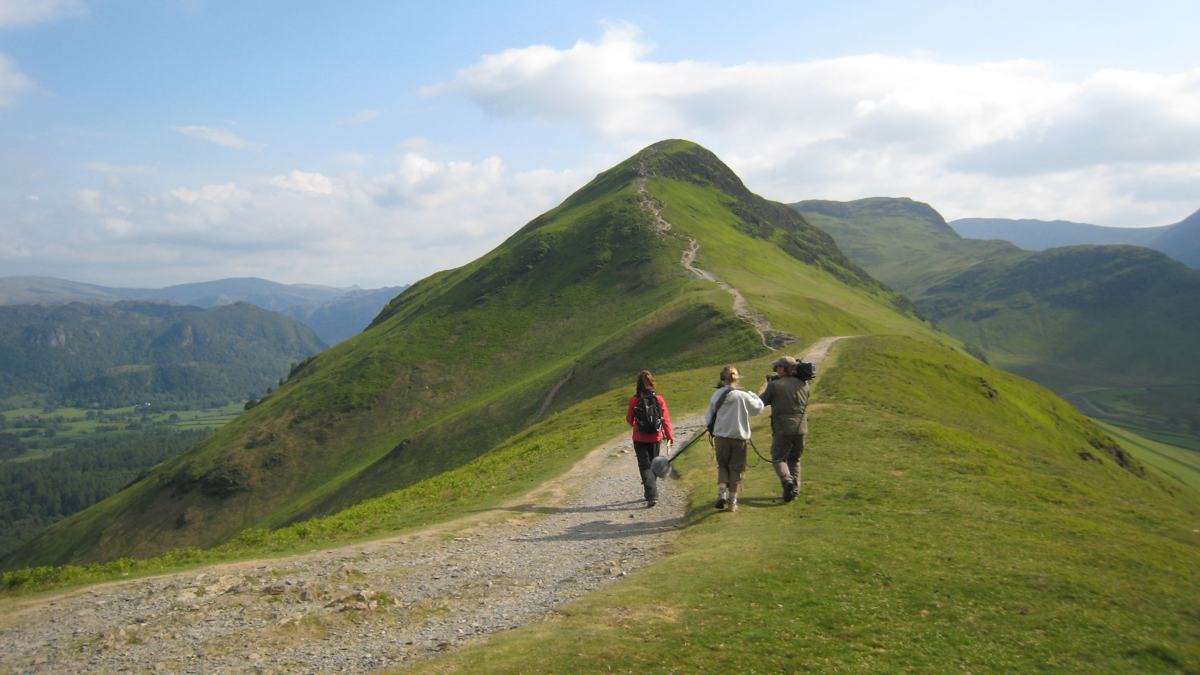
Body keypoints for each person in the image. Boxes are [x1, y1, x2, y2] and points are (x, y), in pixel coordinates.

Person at [705, 365, 764, 512]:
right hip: (739, 438)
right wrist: (754, 395)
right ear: (737, 378)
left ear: (722, 378)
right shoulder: (743, 396)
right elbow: (758, 408)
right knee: (736, 469)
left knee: (723, 465)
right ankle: (732, 502)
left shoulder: (717, 395)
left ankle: (721, 494)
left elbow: (708, 417)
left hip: (721, 438)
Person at [758, 355, 810, 503]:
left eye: (778, 367)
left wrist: (769, 385)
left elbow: (761, 402)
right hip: (801, 428)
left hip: (782, 428)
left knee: (778, 458)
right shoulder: (804, 384)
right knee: (795, 459)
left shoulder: (775, 385)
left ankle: (787, 481)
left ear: (783, 368)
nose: (776, 370)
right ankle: (794, 491)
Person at [626, 370, 674, 508]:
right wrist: (669, 436)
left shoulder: (634, 400)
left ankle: (651, 495)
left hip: (639, 438)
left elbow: (629, 419)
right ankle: (651, 492)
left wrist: (637, 426)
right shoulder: (659, 399)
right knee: (653, 465)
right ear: (652, 382)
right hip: (655, 437)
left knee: (644, 466)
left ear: (638, 384)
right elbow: (666, 420)